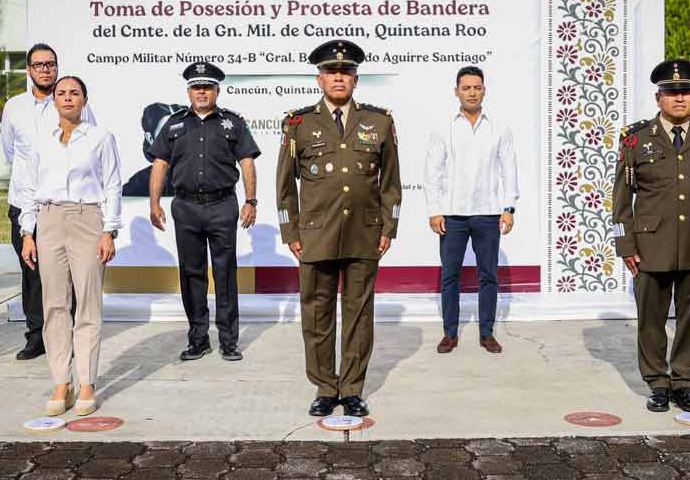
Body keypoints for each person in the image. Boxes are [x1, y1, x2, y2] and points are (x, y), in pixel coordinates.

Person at [276, 40, 402, 417]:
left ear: (355, 79)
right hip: (315, 235)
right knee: (317, 314)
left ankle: (352, 388)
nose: (338, 78)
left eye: (345, 72)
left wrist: (388, 227)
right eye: (332, 72)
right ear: (320, 79)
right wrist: (290, 233)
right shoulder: (298, 123)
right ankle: (324, 387)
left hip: (365, 233)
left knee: (359, 315)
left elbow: (391, 182)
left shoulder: (378, 121)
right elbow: (284, 187)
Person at [612, 58, 690, 414]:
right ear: (658, 98)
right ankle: (656, 382)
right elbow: (621, 201)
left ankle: (683, 381)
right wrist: (625, 245)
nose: (678, 98)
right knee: (650, 319)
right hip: (650, 246)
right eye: (671, 93)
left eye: (685, 92)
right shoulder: (635, 139)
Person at [18, 76, 121, 417]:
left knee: (87, 304)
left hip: (86, 218)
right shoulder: (41, 141)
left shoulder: (100, 138)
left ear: (84, 99)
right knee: (54, 305)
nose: (67, 98)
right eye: (61, 93)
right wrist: (28, 232)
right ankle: (62, 382)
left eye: (74, 93)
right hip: (48, 221)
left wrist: (109, 231)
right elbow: (30, 189)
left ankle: (87, 381)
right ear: (53, 101)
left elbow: (112, 185)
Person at [148, 61, 260, 362]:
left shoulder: (232, 123)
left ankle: (228, 340)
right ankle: (198, 338)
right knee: (191, 273)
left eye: (207, 87)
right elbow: (160, 164)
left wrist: (251, 201)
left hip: (223, 206)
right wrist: (154, 203)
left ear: (216, 90)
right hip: (185, 208)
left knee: (225, 274)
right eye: (197, 87)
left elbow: (247, 161)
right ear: (189, 91)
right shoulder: (173, 124)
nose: (202, 92)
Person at [2, 43, 96, 360]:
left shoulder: (71, 102)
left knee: (67, 273)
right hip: (27, 203)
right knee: (32, 272)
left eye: (50, 64)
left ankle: (67, 335)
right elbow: (13, 154)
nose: (45, 70)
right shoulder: (14, 108)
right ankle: (36, 336)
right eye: (39, 65)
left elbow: (89, 148)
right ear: (28, 70)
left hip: (66, 205)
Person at [424, 65, 519, 354]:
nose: (472, 92)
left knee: (488, 275)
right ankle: (449, 333)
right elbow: (432, 171)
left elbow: (509, 168)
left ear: (484, 90)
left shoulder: (499, 126)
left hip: (488, 212)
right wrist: (434, 210)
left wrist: (509, 206)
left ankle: (487, 333)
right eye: (466, 87)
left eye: (477, 87)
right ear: (456, 92)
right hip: (452, 214)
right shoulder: (444, 127)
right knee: (450, 274)